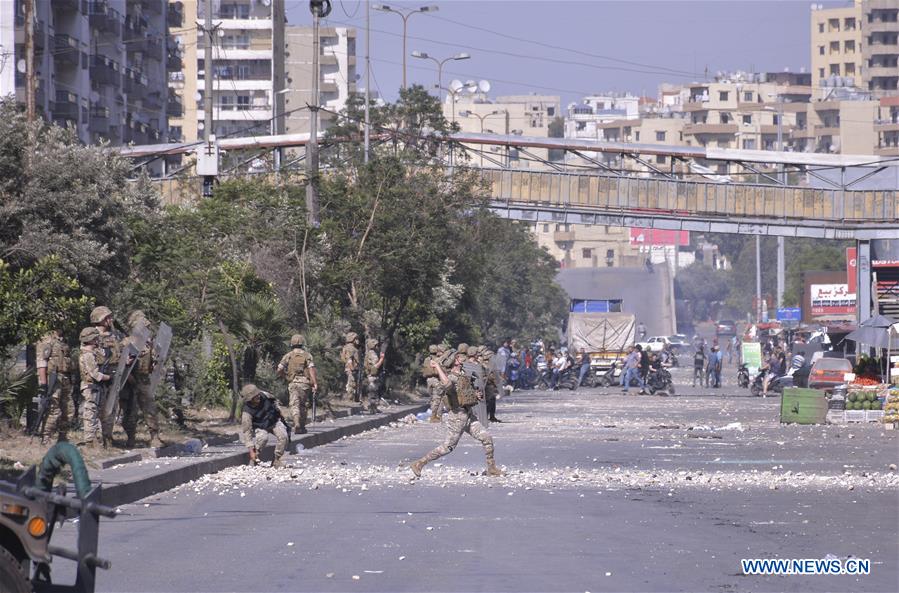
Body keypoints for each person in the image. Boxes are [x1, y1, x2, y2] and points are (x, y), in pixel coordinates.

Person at [409, 353, 503, 478]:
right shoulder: (451, 377)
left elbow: (465, 393)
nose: (460, 358)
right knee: (448, 447)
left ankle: (491, 468)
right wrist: (437, 367)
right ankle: (419, 463)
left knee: (487, 438)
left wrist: (476, 395)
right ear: (453, 362)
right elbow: (447, 385)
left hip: (468, 415)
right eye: (457, 358)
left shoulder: (463, 375)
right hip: (457, 417)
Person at [121, 310, 164, 448]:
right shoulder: (126, 343)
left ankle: (154, 436)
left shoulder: (148, 344)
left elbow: (154, 361)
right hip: (129, 380)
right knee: (130, 411)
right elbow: (122, 363)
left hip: (144, 380)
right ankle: (130, 438)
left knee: (150, 409)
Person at [87, 306, 125, 448]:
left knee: (111, 408)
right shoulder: (91, 335)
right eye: (107, 317)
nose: (110, 320)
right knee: (96, 407)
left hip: (113, 375)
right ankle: (94, 439)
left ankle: (108, 437)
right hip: (99, 376)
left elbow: (121, 351)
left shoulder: (115, 336)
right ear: (100, 319)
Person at [35, 328, 74, 442]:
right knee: (53, 410)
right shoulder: (47, 340)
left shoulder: (63, 340)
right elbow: (41, 363)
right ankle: (46, 438)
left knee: (68, 409)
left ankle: (63, 438)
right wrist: (43, 384)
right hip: (52, 379)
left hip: (64, 378)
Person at [239, 384, 289, 469]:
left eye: (258, 394)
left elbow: (275, 402)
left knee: (284, 436)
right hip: (260, 426)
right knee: (263, 438)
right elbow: (247, 431)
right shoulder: (247, 412)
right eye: (255, 396)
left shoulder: (265, 395)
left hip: (273, 421)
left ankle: (277, 460)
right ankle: (254, 458)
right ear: (250, 399)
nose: (258, 396)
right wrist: (251, 450)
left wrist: (281, 414)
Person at [276, 334, 317, 434]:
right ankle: (301, 427)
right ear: (302, 343)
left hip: (293, 383)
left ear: (292, 343)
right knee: (303, 405)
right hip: (304, 384)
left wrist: (286, 377)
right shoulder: (307, 355)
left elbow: (279, 369)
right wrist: (314, 383)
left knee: (294, 404)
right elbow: (311, 369)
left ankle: (296, 422)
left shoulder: (288, 355)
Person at [77, 327, 111, 448]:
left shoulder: (93, 353)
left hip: (96, 387)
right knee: (90, 414)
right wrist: (109, 377)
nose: (98, 340)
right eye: (95, 338)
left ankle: (102, 440)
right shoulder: (87, 355)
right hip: (90, 387)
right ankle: (90, 441)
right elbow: (95, 375)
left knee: (101, 414)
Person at [422, 344, 445, 423]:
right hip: (436, 380)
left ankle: (434, 415)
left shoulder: (426, 359)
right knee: (439, 398)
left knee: (432, 399)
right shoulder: (439, 359)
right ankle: (436, 416)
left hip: (429, 380)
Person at [363, 337, 385, 414]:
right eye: (377, 345)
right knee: (373, 393)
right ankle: (372, 409)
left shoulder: (369, 353)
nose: (378, 347)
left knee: (373, 393)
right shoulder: (373, 354)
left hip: (370, 375)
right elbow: (375, 367)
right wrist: (382, 359)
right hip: (372, 376)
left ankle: (374, 408)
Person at [340, 332, 360, 402]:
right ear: (353, 339)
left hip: (351, 368)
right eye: (356, 339)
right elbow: (349, 359)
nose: (358, 340)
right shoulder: (351, 348)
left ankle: (353, 399)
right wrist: (352, 369)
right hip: (351, 369)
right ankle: (350, 400)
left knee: (352, 384)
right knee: (351, 385)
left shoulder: (347, 347)